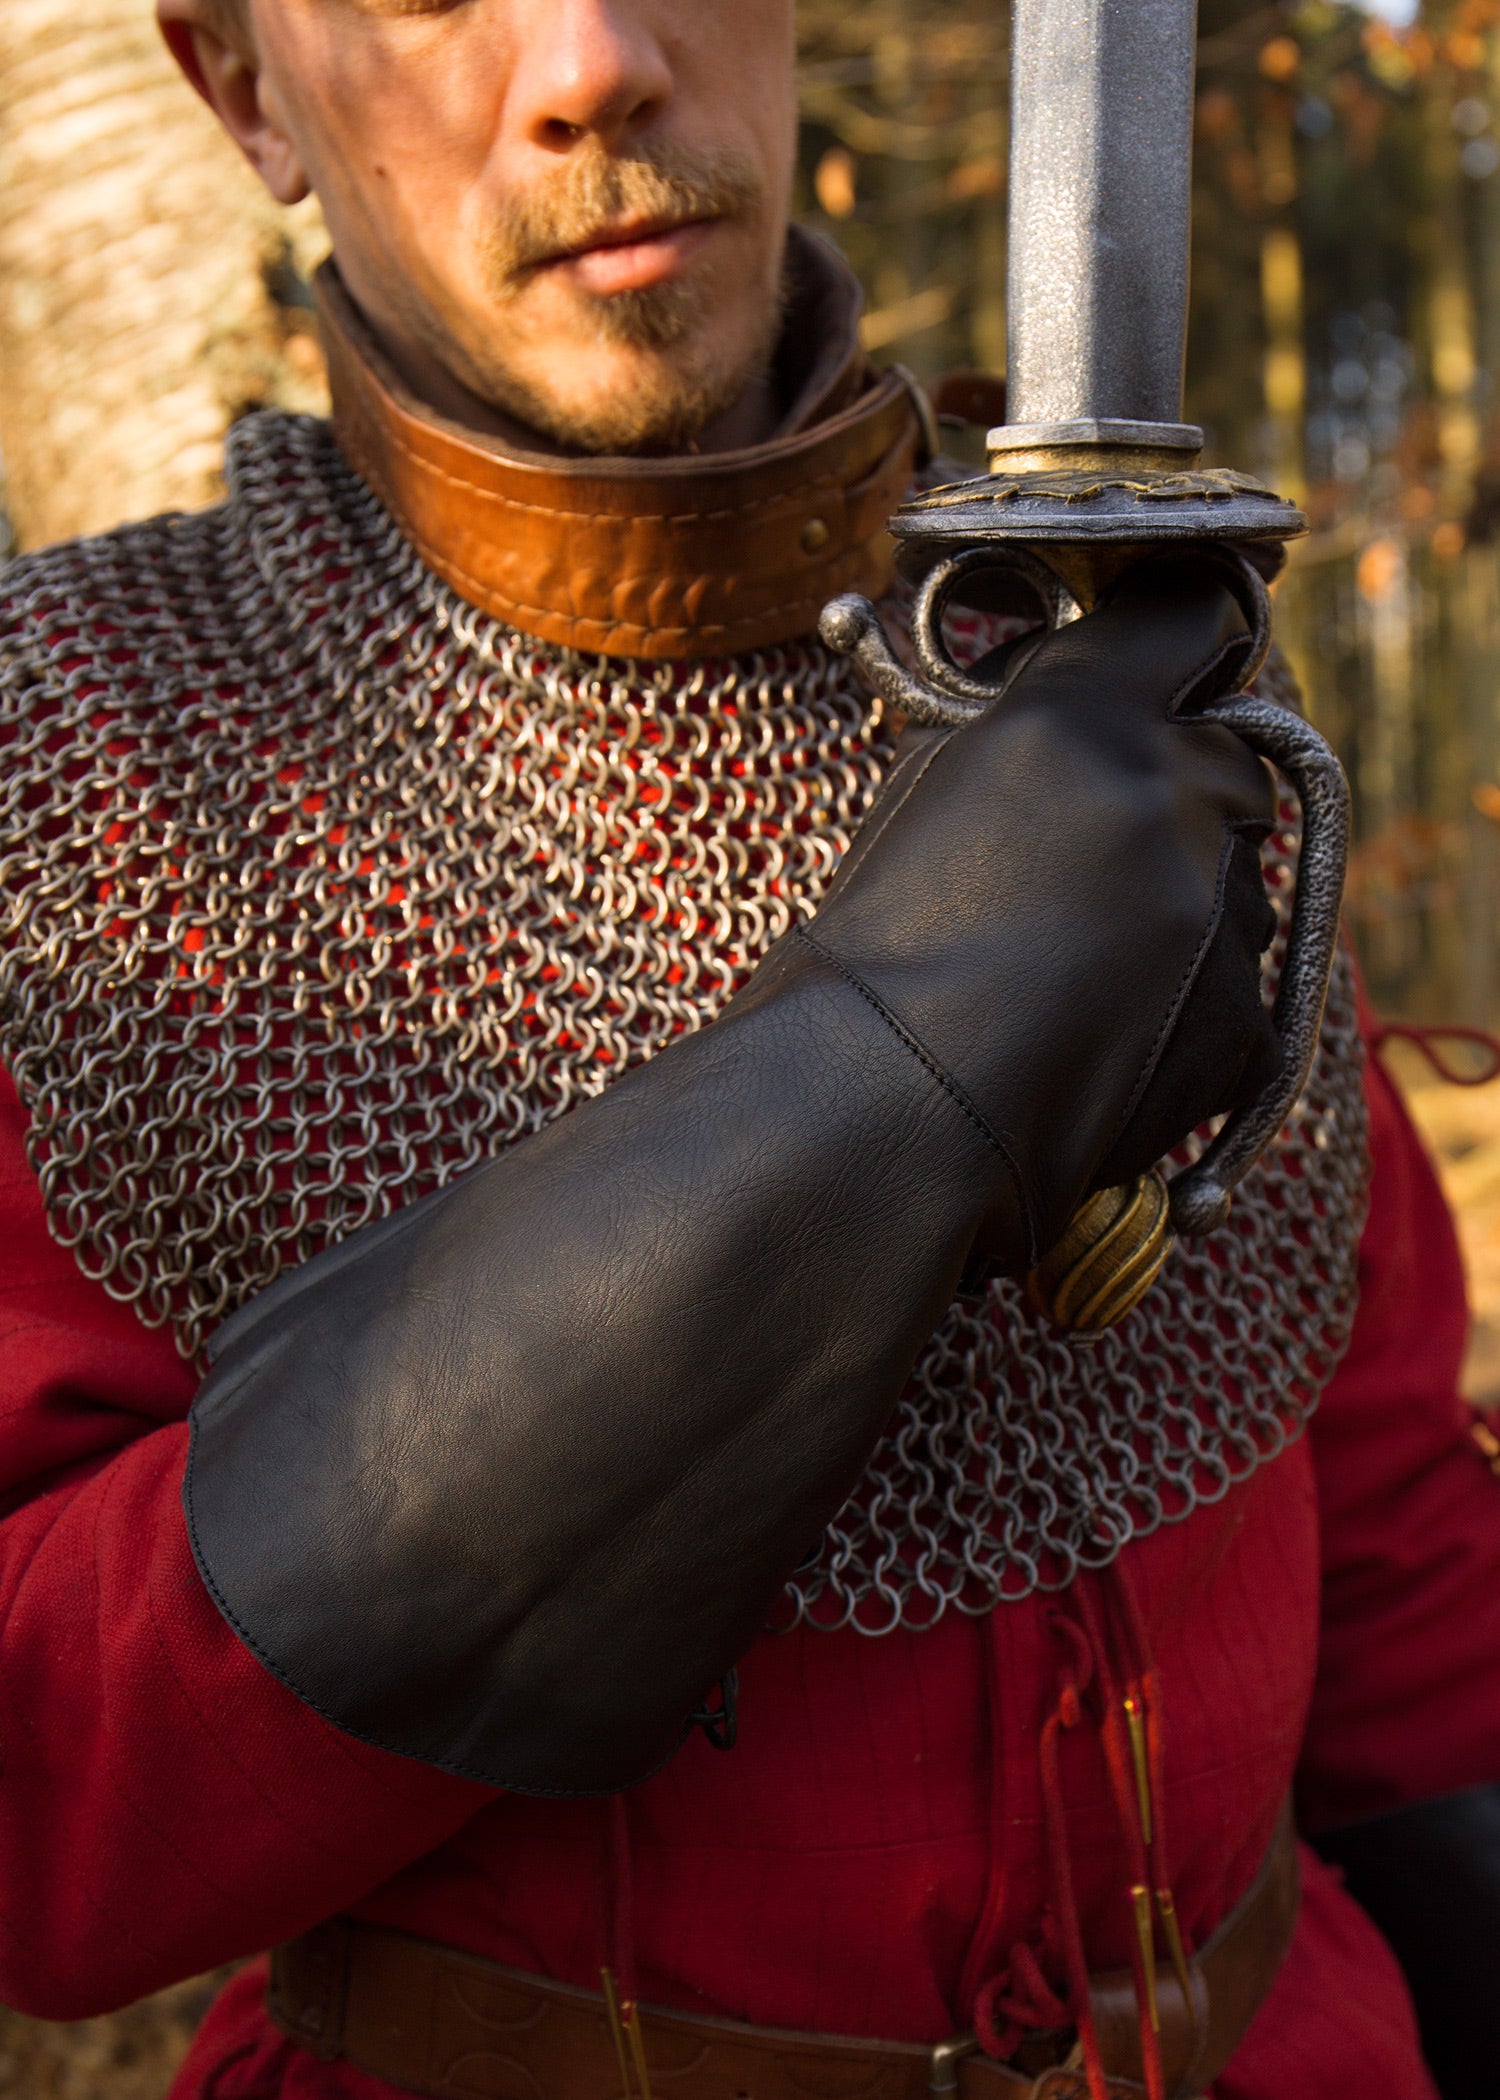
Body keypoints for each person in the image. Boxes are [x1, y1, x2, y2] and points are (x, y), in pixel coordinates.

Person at [0, 4, 1495, 2098]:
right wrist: (886, 1074)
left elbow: (1386, 1494)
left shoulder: (1111, 651)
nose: (594, 56)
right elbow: (48, 1822)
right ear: (247, 88)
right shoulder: (97, 779)